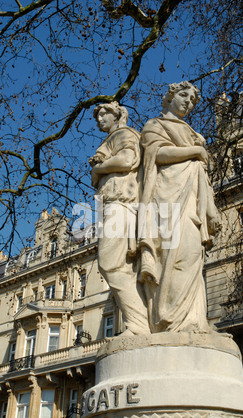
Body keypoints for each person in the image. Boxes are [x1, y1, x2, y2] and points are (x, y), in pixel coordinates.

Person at [139, 82, 221, 333]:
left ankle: (194, 321)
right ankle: (169, 320)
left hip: (192, 201)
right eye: (184, 96)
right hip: (167, 198)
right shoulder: (155, 125)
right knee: (174, 259)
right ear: (169, 97)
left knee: (193, 256)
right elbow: (159, 155)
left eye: (193, 100)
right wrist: (195, 151)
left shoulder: (191, 131)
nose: (189, 102)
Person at [90, 101, 150, 335]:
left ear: (116, 116)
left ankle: (138, 324)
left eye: (104, 115)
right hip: (110, 204)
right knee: (121, 265)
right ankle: (138, 322)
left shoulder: (123, 134)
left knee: (110, 263)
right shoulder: (111, 138)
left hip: (120, 203)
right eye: (98, 117)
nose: (99, 120)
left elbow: (126, 160)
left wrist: (99, 168)